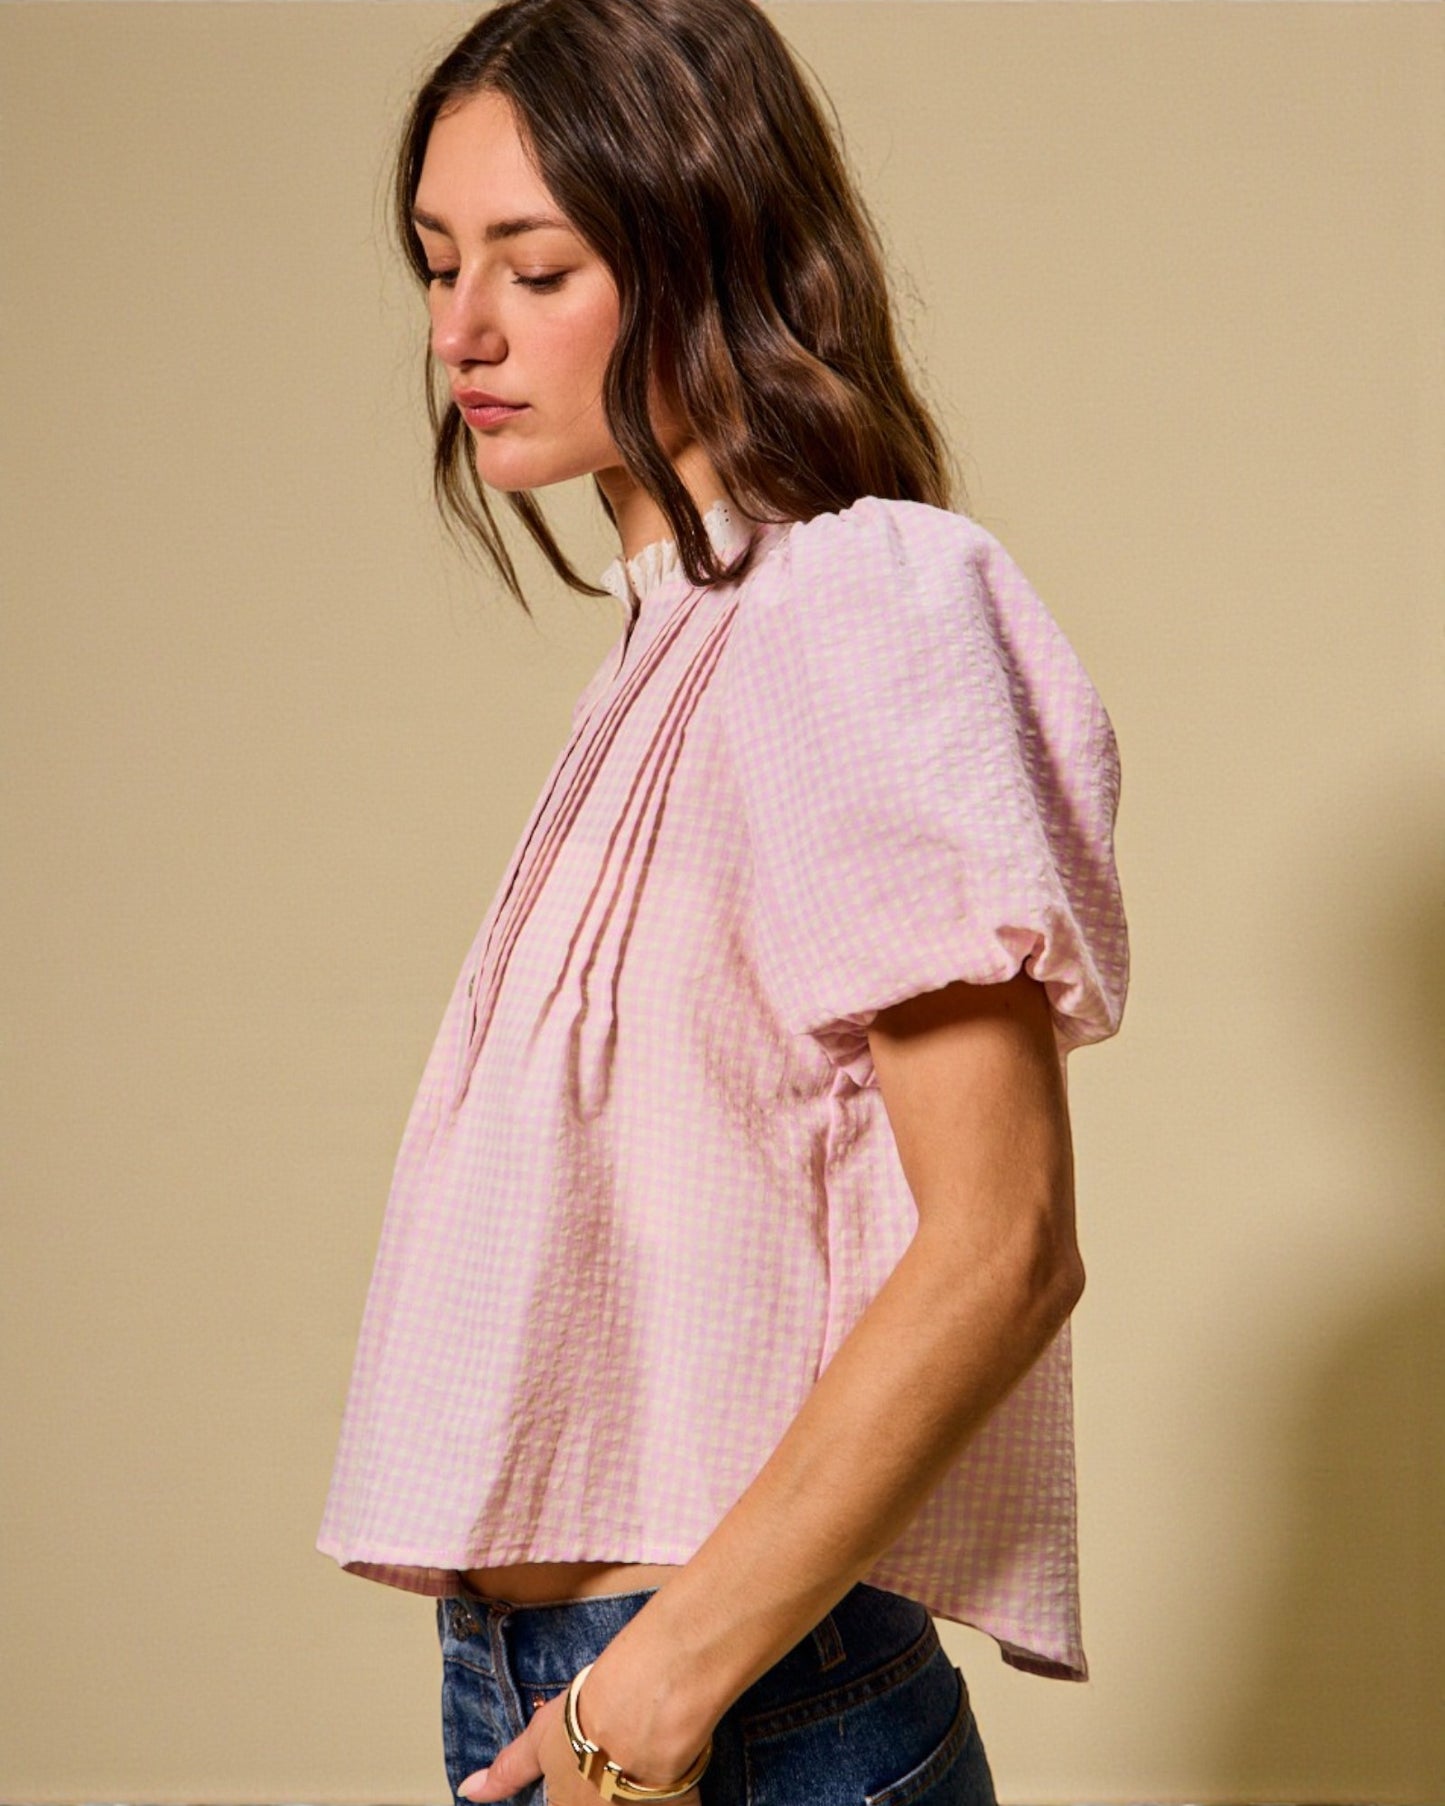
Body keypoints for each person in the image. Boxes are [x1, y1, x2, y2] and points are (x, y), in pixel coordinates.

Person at [316, 0, 1130, 1801]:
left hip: (733, 1705)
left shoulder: (856, 602)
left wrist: (653, 1693)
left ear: (709, 254)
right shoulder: (665, 651)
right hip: (565, 1690)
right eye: (439, 263)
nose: (460, 330)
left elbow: (1004, 1240)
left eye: (536, 267)